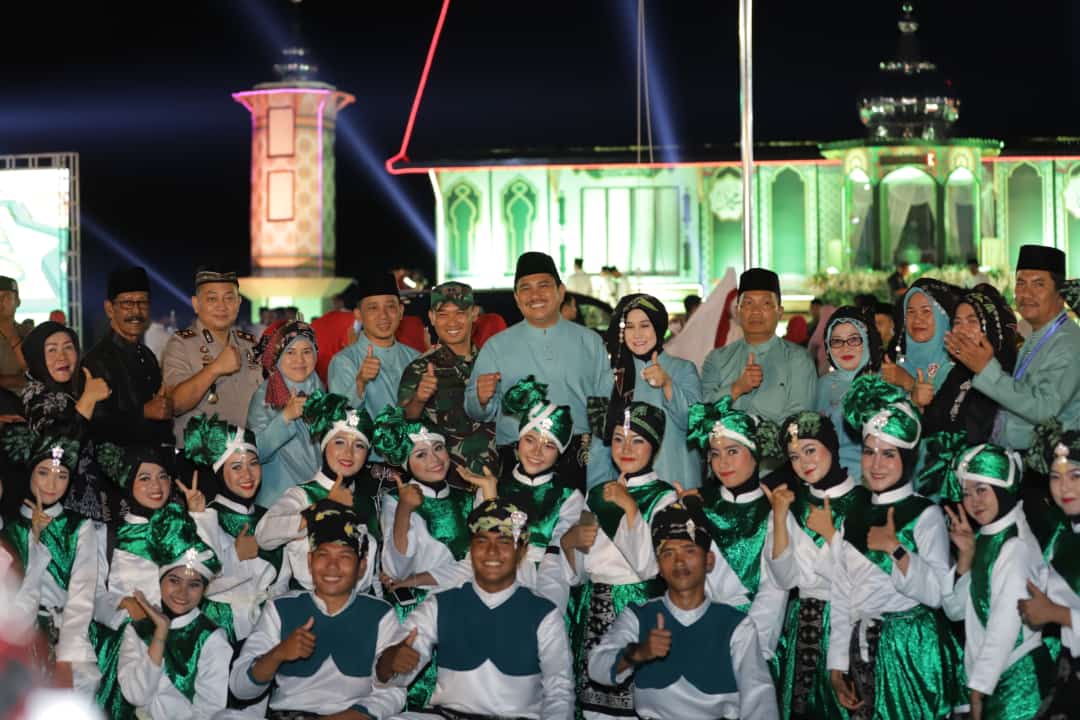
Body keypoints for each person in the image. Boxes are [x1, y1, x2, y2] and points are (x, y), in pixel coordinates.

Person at [830, 375, 965, 720]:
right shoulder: (853, 513)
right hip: (862, 651)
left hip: (912, 651)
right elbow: (842, 593)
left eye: (888, 454)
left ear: (906, 458)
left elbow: (937, 594)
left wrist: (896, 550)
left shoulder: (924, 513)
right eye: (869, 452)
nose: (876, 464)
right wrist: (837, 666)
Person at [378, 497, 575, 720]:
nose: (492, 551)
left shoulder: (543, 613)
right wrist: (391, 660)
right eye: (482, 541)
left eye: (504, 542)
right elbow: (389, 674)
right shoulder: (439, 604)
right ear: (471, 549)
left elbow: (559, 692)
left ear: (521, 551)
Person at [588, 503, 778, 720]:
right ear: (659, 567)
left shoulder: (735, 625)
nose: (679, 561)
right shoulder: (639, 616)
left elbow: (760, 698)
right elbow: (597, 668)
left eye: (689, 550)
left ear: (709, 560)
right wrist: (639, 652)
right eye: (668, 553)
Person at [229, 501, 407, 719]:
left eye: (344, 556)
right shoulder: (281, 608)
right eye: (323, 555)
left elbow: (393, 692)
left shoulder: (379, 614)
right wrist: (278, 654)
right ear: (310, 561)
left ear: (361, 567)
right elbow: (240, 688)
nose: (332, 566)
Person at [561, 401, 675, 718]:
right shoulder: (595, 493)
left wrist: (630, 508)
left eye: (637, 440)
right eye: (618, 439)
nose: (626, 449)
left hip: (637, 604)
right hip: (594, 604)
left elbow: (651, 567)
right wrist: (569, 543)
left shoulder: (664, 497)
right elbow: (578, 572)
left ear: (654, 446)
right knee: (593, 702)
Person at [466, 251, 610, 491]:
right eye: (526, 288)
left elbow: (603, 414)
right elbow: (476, 411)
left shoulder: (590, 342)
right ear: (516, 297)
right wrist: (480, 398)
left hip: (578, 458)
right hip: (518, 459)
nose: (535, 295)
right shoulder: (496, 346)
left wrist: (602, 475)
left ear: (561, 291)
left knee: (576, 517)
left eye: (544, 285)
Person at [767, 412, 869, 720]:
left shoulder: (865, 502)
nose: (803, 463)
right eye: (794, 456)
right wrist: (780, 518)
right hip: (803, 627)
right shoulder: (792, 502)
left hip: (852, 626)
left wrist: (829, 534)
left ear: (831, 447)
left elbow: (862, 580)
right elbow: (784, 579)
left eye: (810, 450)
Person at [941, 444, 1054, 720]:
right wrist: (965, 557)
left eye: (982, 490)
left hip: (1018, 678)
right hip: (994, 674)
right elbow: (955, 610)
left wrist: (979, 687)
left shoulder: (1015, 546)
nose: (973, 502)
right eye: (967, 493)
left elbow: (1005, 625)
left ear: (1002, 488)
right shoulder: (985, 537)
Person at [683, 397, 789, 661]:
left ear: (755, 453)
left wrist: (747, 648)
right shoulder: (699, 506)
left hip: (753, 639)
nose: (723, 463)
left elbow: (774, 590)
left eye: (733, 452)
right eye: (715, 454)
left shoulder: (773, 511)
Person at [949, 245, 1080, 451]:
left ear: (1059, 294)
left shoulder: (1068, 342)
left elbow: (1045, 409)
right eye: (1020, 283)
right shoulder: (1038, 334)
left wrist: (986, 369)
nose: (1026, 293)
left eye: (1038, 284)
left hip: (1052, 461)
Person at [0, 429, 102, 694]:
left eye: (62, 475)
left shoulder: (78, 527)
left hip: (67, 631)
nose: (52, 484)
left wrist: (67, 654)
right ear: (30, 474)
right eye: (43, 473)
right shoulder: (10, 529)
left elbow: (83, 593)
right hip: (20, 632)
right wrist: (32, 539)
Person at [255, 391, 378, 595]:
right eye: (339, 442)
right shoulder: (302, 495)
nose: (348, 453)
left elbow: (372, 575)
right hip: (307, 605)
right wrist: (324, 506)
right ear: (324, 446)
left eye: (359, 445)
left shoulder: (366, 502)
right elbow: (264, 535)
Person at [114, 517, 231, 719]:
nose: (182, 592)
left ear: (204, 589)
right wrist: (159, 635)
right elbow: (136, 696)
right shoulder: (139, 626)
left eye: (194, 584)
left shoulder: (211, 638)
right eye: (174, 581)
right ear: (160, 580)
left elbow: (210, 711)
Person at [184, 414, 288, 636]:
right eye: (236, 467)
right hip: (217, 630)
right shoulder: (204, 517)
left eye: (253, 464)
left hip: (267, 628)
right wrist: (235, 556)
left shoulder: (269, 516)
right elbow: (189, 580)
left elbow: (283, 580)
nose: (247, 475)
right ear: (221, 473)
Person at [916, 286, 1018, 501]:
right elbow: (932, 424)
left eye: (972, 321)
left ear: (991, 327)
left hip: (988, 490)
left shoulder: (1008, 374)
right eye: (957, 322)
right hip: (946, 487)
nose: (962, 330)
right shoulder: (957, 373)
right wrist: (919, 405)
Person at [598, 293, 702, 489]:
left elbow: (695, 424)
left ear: (658, 326)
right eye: (629, 327)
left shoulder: (683, 369)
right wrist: (602, 487)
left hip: (676, 483)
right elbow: (601, 442)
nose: (637, 334)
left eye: (645, 325)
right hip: (628, 489)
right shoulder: (610, 377)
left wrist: (668, 384)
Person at [398, 281, 498, 476]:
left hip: (493, 481)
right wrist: (419, 399)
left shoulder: (491, 363)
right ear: (432, 317)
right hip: (447, 484)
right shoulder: (420, 368)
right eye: (443, 314)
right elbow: (403, 423)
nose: (452, 322)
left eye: (460, 313)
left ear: (474, 314)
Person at [701, 268, 817, 431]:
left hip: (778, 446)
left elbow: (798, 419)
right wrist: (736, 388)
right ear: (738, 311)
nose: (756, 311)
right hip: (725, 446)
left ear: (779, 312)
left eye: (766, 304)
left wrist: (755, 441)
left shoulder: (798, 360)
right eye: (748, 303)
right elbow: (703, 413)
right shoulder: (717, 359)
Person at [163, 266, 262, 446]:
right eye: (212, 299)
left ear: (239, 302)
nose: (221, 306)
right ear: (196, 304)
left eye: (229, 298)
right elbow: (175, 404)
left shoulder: (250, 345)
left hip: (245, 453)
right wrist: (214, 369)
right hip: (200, 455)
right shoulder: (181, 344)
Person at [1020, 422, 1080, 713]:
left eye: (1075, 476)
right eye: (1055, 477)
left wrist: (1056, 614)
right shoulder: (1065, 536)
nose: (1064, 487)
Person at [329, 272, 420, 462]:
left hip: (415, 462)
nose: (383, 315)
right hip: (368, 466)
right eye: (373, 308)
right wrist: (360, 382)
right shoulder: (345, 361)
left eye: (390, 306)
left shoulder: (415, 359)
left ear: (401, 311)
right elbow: (339, 422)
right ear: (358, 315)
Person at [82, 266, 174, 449]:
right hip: (116, 464)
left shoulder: (147, 356)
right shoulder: (96, 360)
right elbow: (93, 426)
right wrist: (143, 412)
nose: (136, 312)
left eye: (143, 303)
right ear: (109, 309)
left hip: (154, 460)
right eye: (127, 304)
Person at [247, 320, 323, 505]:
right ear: (277, 356)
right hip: (278, 500)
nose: (300, 360)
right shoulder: (266, 395)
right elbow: (255, 452)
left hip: (318, 495)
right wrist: (285, 418)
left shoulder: (319, 388)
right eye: (290, 352)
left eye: (306, 352)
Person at [814, 305, 883, 481]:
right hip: (828, 480)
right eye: (836, 341)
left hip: (875, 479)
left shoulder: (886, 382)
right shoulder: (822, 385)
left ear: (867, 341)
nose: (845, 348)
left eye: (853, 339)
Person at [18, 320, 111, 437]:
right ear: (37, 358)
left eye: (68, 347)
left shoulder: (82, 383)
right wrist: (88, 399)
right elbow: (54, 444)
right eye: (52, 350)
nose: (62, 357)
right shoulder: (34, 395)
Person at [882, 278, 960, 399]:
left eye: (926, 311)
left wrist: (908, 382)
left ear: (943, 318)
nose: (917, 320)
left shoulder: (960, 368)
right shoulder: (893, 363)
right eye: (911, 312)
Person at [0, 275, 29, 392]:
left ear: (17, 301)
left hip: (26, 401)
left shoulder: (30, 333)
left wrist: (11, 335)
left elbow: (37, 376)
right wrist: (18, 380)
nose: (0, 301)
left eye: (6, 296)